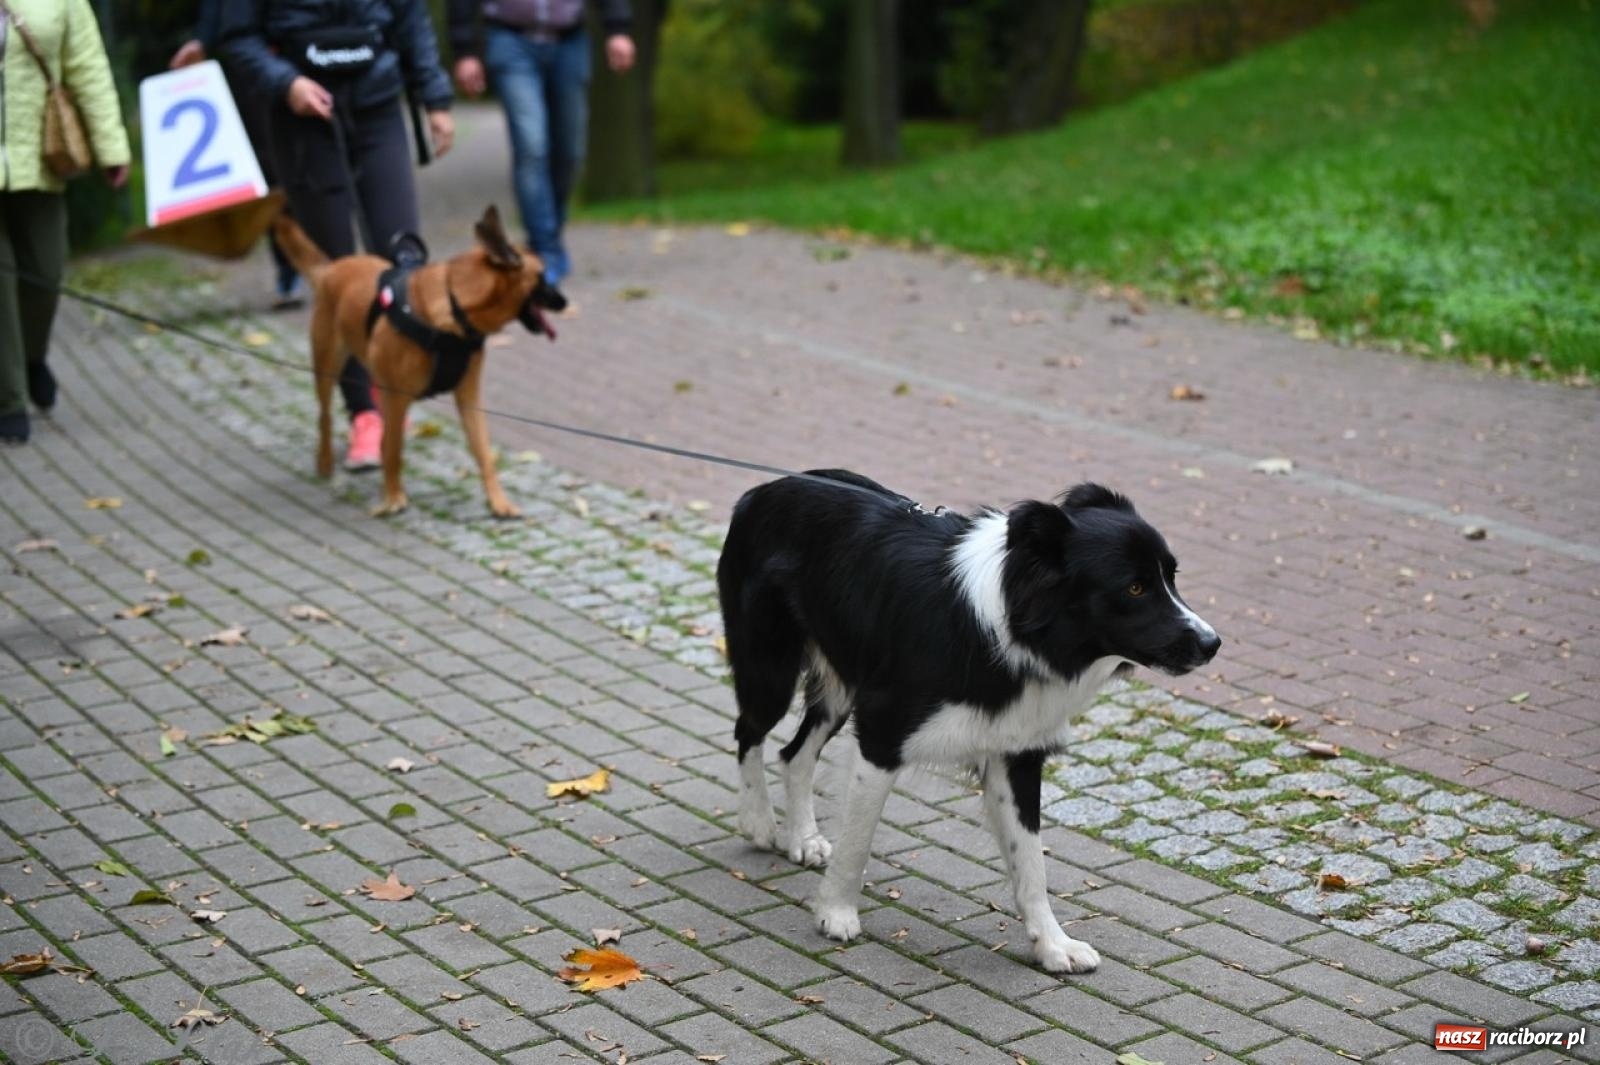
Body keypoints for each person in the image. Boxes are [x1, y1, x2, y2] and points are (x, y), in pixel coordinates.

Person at [218, 0, 454, 470]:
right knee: (337, 271)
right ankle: (363, 413)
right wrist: (287, 84)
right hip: (301, 116)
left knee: (402, 253)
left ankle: (395, 386)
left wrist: (435, 97)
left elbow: (410, 18)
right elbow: (234, 37)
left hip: (377, 102)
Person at [0, 0, 129, 445]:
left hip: (39, 155)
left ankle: (33, 357)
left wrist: (111, 146)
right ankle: (9, 398)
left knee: (44, 274)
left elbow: (87, 63)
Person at [448, 0, 635, 288]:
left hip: (570, 40)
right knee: (532, 147)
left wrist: (618, 28)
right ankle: (544, 248)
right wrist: (465, 51)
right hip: (509, 39)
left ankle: (550, 235)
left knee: (570, 152)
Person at [169, 0, 303, 309]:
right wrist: (202, 38)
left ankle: (331, 256)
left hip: (317, 51)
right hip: (254, 62)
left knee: (315, 165)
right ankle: (290, 267)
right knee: (272, 169)